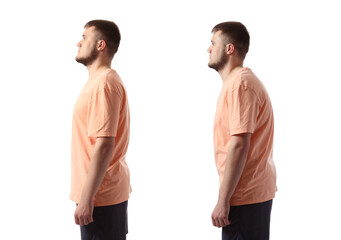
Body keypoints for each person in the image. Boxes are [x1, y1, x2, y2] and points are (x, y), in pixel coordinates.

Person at [207, 21, 277, 240]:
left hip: (246, 196)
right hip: (248, 194)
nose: (208, 49)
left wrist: (223, 200)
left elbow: (239, 145)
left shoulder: (240, 85)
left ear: (230, 49)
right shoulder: (237, 83)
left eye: (213, 43)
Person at [71, 19, 131, 240]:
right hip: (100, 194)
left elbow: (104, 143)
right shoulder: (100, 81)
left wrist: (87, 198)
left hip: (100, 197)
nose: (78, 42)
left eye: (85, 37)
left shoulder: (103, 84)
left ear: (100, 45)